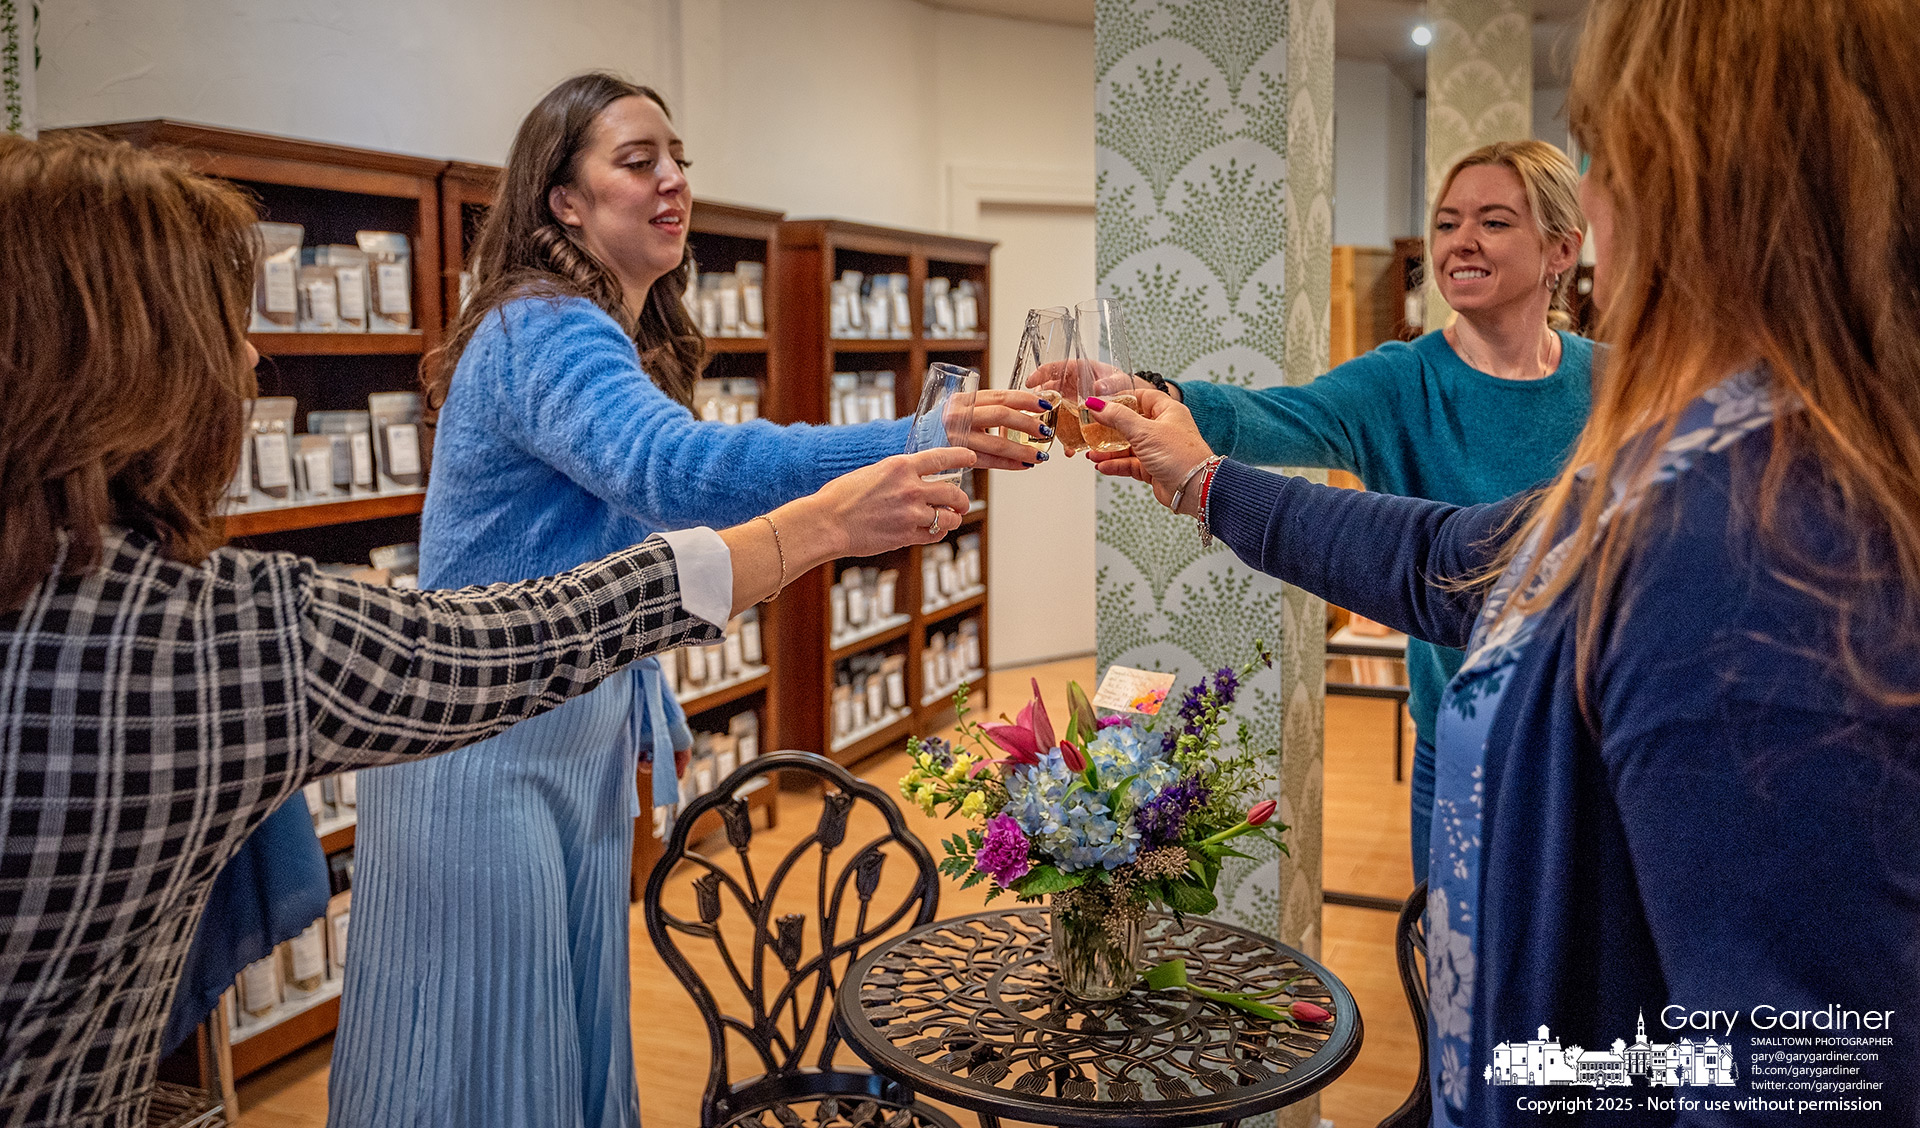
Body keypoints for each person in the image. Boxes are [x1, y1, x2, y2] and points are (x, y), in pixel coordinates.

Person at [0, 131, 973, 1128]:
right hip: (501, 760)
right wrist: (855, 497)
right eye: (218, 326)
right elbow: (532, 623)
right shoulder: (217, 630)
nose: (249, 358)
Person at [1080, 0, 1920, 1123]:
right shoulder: (1713, 451)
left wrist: (1540, 1080)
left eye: (1611, 161)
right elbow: (1453, 560)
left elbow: (1800, 1068)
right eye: (1449, 220)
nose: (1465, 242)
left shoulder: (1754, 537)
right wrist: (1195, 461)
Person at [327, 73, 1047, 1128]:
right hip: (479, 755)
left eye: (679, 160)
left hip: (551, 733)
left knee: (555, 1046)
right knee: (479, 1058)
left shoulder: (598, 331)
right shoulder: (545, 329)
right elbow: (677, 471)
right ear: (563, 201)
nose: (672, 180)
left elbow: (631, 521)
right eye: (636, 160)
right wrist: (904, 438)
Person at [1088, 139, 1590, 885]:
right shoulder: (1401, 379)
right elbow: (1276, 416)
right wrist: (1151, 395)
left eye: (1494, 221)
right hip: (1461, 743)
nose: (1462, 242)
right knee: (1454, 970)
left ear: (1560, 249)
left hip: (1592, 742)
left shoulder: (1615, 376)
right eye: (1448, 222)